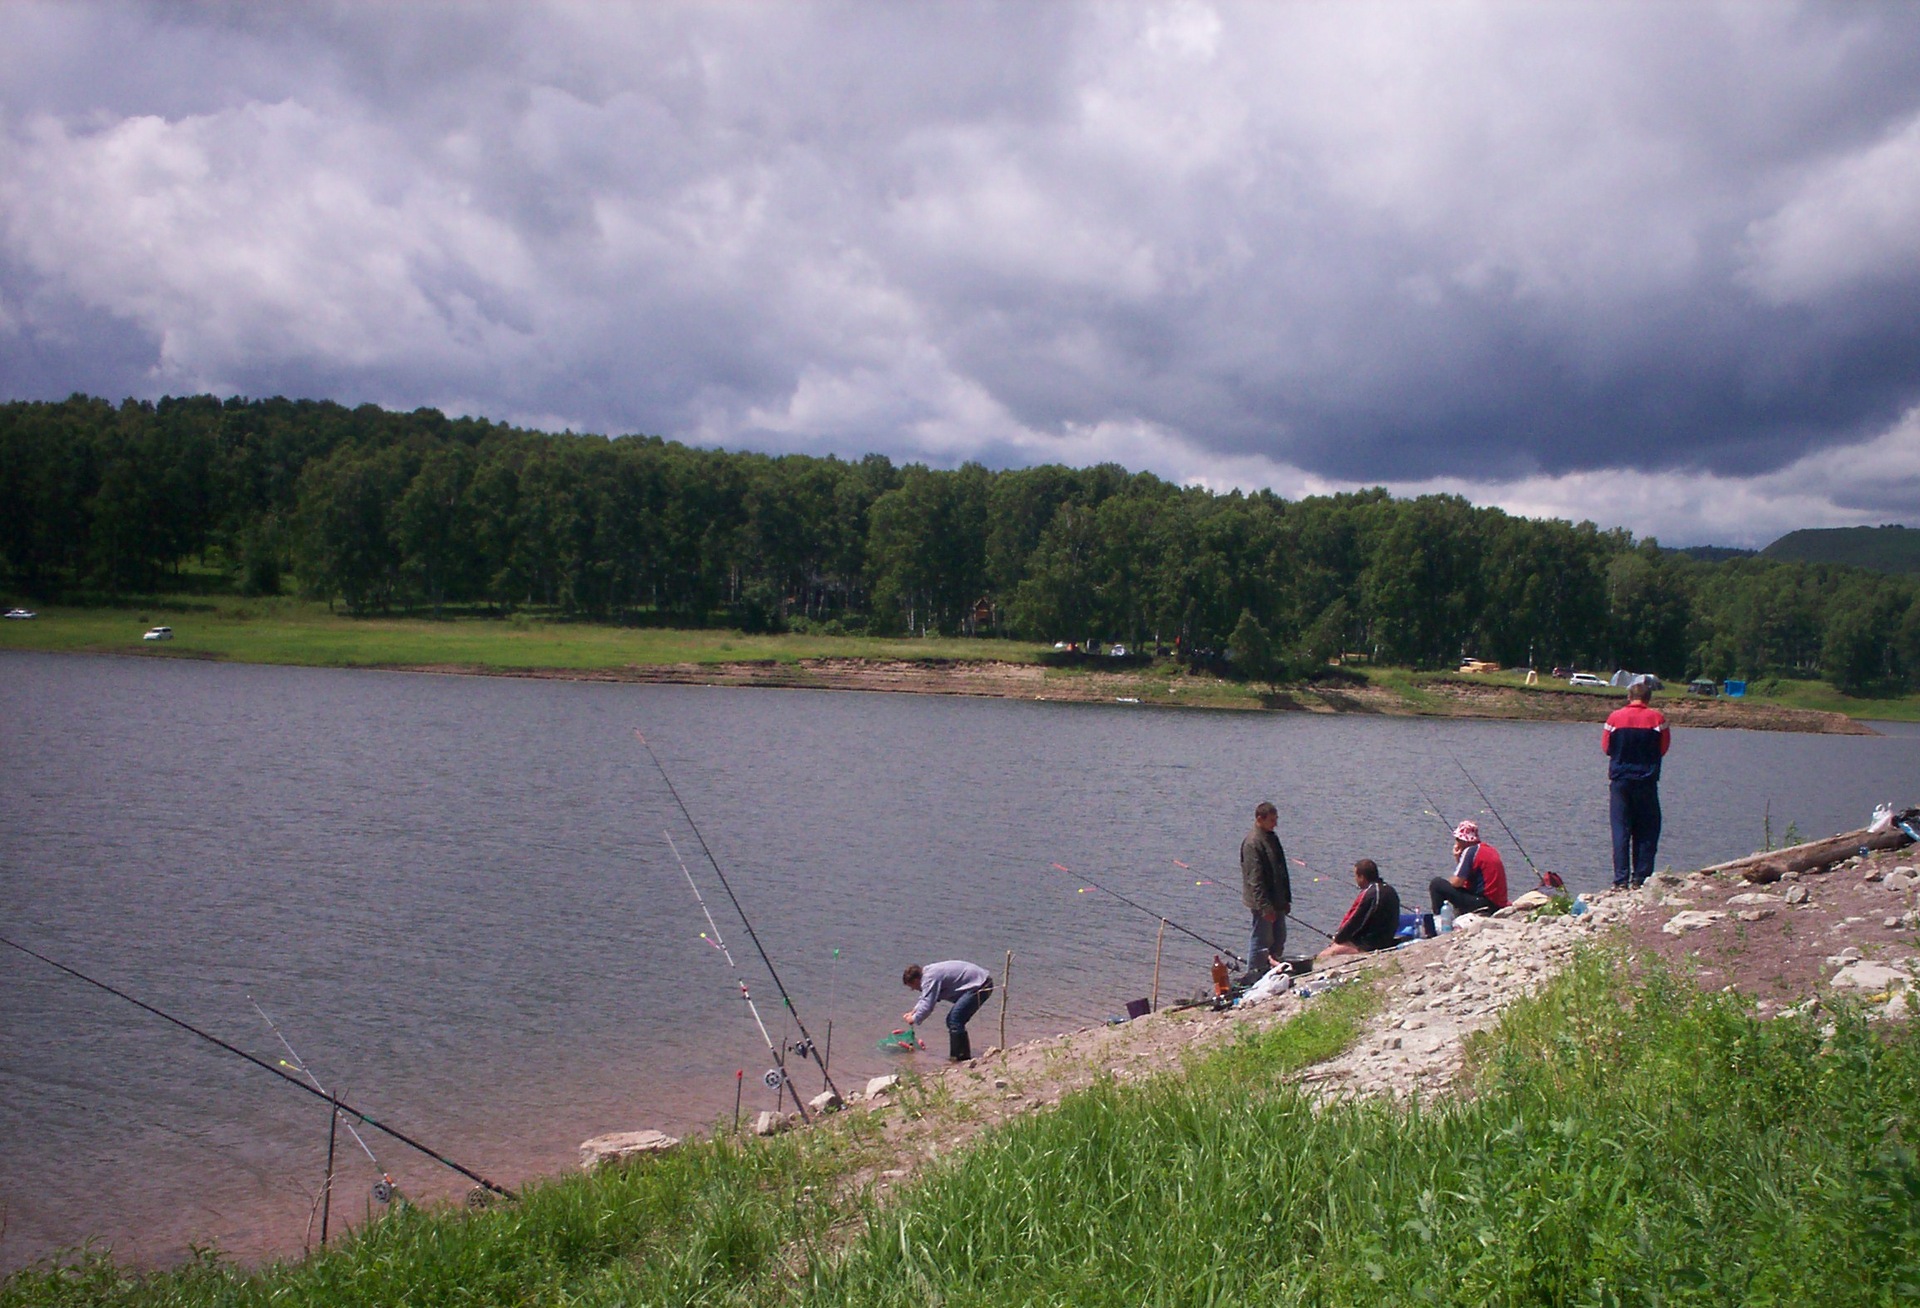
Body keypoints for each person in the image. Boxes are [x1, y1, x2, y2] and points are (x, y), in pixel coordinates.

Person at [1604, 676, 1670, 887]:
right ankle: (1640, 878)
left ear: (1629, 697)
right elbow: (1664, 748)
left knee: (1620, 829)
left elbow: (1606, 748)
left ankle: (1620, 879)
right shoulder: (1658, 719)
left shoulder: (1614, 718)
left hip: (1620, 780)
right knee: (1647, 829)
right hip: (1646, 780)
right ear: (1648, 698)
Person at [901, 960, 994, 1062]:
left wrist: (914, 1018)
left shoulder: (930, 978)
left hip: (980, 984)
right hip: (980, 981)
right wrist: (914, 1011)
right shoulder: (927, 974)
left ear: (915, 981)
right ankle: (960, 1057)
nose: (913, 989)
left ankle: (961, 1058)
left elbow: (928, 1005)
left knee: (955, 1020)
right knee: (955, 1020)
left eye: (912, 987)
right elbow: (925, 997)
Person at [1240, 800, 1292, 983]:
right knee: (1261, 941)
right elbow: (1255, 880)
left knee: (1279, 938)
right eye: (1272, 820)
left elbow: (1281, 870)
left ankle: (1271, 971)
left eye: (1276, 819)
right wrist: (1264, 907)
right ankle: (1253, 977)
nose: (1275, 823)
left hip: (1277, 900)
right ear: (1260, 819)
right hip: (1263, 903)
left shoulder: (1272, 837)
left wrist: (1286, 898)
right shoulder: (1253, 843)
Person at [1317, 859, 1402, 961]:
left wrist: (1338, 938)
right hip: (1386, 939)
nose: (1355, 879)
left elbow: (1355, 921)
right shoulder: (1389, 889)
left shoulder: (1370, 894)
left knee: (1323, 957)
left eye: (1356, 876)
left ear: (1362, 877)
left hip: (1370, 945)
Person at [1428, 820, 1509, 918]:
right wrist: (1459, 859)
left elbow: (1457, 882)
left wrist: (1450, 879)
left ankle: (1438, 920)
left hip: (1484, 904)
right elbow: (1468, 878)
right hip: (1496, 903)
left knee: (1437, 884)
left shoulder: (1470, 851)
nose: (1456, 842)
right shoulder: (1489, 850)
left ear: (1464, 841)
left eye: (1458, 839)